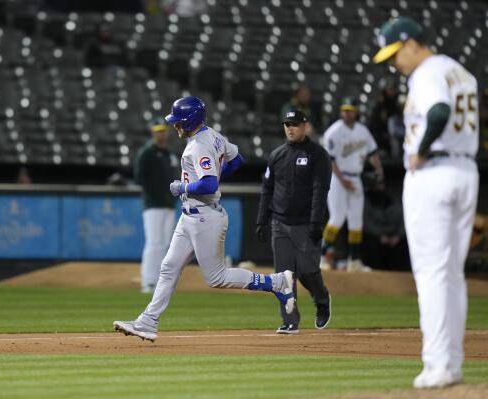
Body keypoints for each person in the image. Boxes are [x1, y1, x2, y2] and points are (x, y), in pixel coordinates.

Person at [113, 96, 295, 342]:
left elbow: (209, 184)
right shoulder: (214, 135)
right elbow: (237, 159)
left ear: (189, 121)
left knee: (216, 277)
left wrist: (183, 188)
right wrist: (213, 177)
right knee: (168, 268)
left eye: (178, 121)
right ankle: (148, 321)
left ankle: (276, 282)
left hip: (204, 217)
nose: (175, 126)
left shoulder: (198, 145)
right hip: (190, 216)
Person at [373, 16, 479, 389]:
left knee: (432, 274)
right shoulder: (461, 71)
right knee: (451, 275)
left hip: (433, 173)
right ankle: (450, 362)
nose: (394, 63)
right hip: (465, 171)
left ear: (412, 43)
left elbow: (438, 111)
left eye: (395, 53)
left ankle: (437, 364)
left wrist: (420, 150)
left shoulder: (427, 72)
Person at [256, 109, 332, 334]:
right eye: (287, 124)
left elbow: (321, 190)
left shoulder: (317, 155)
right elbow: (267, 189)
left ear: (305, 126)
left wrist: (317, 222)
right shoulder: (277, 155)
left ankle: (322, 300)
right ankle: (289, 320)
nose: (290, 128)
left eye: (295, 124)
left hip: (306, 223)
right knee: (284, 275)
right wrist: (262, 220)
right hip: (280, 223)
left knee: (308, 271)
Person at [320, 97, 384, 272]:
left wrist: (379, 171)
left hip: (355, 177)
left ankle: (354, 261)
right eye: (344, 110)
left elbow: (373, 152)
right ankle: (322, 256)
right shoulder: (333, 132)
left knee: (356, 220)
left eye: (350, 110)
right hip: (337, 178)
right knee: (337, 217)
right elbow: (330, 160)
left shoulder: (362, 131)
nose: (346, 113)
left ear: (356, 112)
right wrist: (342, 180)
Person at [134, 117, 178, 293]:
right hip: (153, 204)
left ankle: (161, 282)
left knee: (166, 244)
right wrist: (157, 193)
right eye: (158, 131)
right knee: (154, 243)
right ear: (153, 132)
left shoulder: (169, 153)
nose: (161, 134)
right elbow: (140, 178)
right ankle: (148, 281)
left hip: (168, 205)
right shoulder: (147, 152)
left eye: (163, 130)